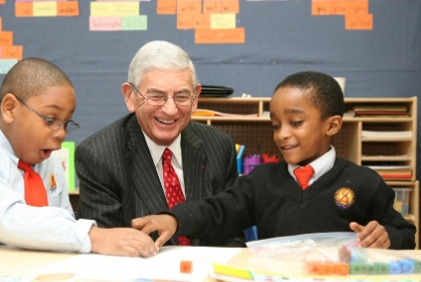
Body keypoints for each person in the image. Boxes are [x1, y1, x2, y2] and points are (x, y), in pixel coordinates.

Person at [132, 71, 416, 250]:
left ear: (332, 125)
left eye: (295, 122)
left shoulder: (365, 183)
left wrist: (387, 237)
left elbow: (406, 233)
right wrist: (174, 218)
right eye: (276, 124)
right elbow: (218, 209)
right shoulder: (261, 182)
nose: (282, 135)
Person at [0, 57, 156, 257]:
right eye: (50, 119)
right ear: (10, 108)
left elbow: (62, 222)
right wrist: (94, 236)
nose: (61, 133)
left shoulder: (47, 160)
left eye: (66, 123)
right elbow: (11, 221)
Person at [75, 40, 243, 246]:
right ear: (130, 96)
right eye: (156, 96)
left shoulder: (219, 146)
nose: (171, 109)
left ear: (196, 97)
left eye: (182, 96)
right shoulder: (99, 155)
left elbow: (231, 235)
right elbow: (106, 252)